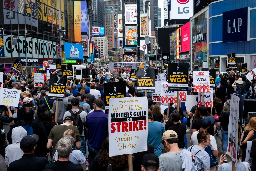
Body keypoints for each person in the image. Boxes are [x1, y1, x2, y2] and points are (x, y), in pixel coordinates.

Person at [86, 99, 108, 170]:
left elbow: (87, 127)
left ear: (95, 106)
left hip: (92, 143)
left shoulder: (89, 116)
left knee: (92, 162)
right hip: (103, 144)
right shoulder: (106, 117)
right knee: (104, 163)